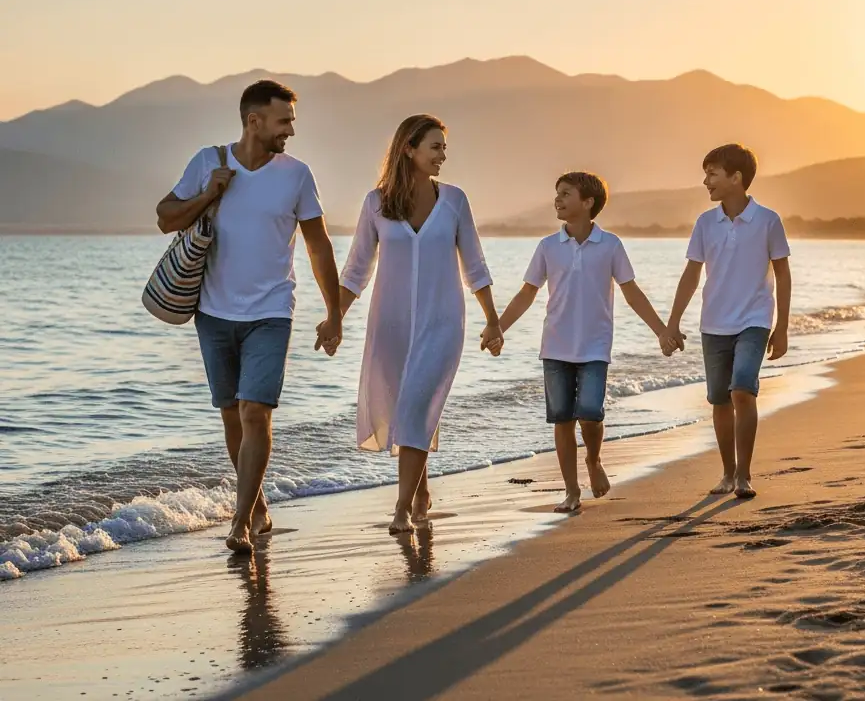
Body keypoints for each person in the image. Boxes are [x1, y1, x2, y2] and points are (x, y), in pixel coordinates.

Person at [156, 79, 341, 553]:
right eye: (284, 121)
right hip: (213, 312)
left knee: (255, 411)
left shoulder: (297, 174)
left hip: (272, 311)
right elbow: (165, 217)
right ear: (254, 121)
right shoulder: (208, 162)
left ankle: (239, 523)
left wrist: (334, 312)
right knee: (232, 417)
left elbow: (318, 245)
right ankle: (255, 504)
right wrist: (208, 194)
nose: (291, 131)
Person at [338, 114, 502, 535]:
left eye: (444, 147)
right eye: (435, 146)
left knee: (415, 407)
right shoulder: (375, 204)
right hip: (389, 325)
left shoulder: (454, 201)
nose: (443, 155)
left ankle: (401, 508)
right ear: (408, 148)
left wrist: (492, 320)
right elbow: (356, 269)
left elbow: (475, 264)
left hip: (443, 322)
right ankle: (421, 491)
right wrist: (333, 318)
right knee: (403, 409)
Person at [498, 172, 680, 514]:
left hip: (595, 346)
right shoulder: (547, 247)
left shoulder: (610, 245)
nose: (557, 199)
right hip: (555, 346)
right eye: (557, 193)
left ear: (588, 202)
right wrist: (499, 327)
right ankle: (571, 491)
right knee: (562, 419)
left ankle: (593, 460)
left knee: (591, 414)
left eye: (566, 194)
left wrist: (660, 330)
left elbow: (632, 292)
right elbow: (527, 293)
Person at [667, 143, 791, 500]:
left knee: (741, 390)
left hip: (754, 319)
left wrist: (781, 326)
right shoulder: (705, 223)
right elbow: (691, 275)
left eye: (712, 174)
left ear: (736, 178)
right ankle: (726, 473)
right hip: (714, 323)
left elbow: (782, 275)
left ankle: (744, 474)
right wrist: (673, 322)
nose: (706, 181)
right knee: (719, 401)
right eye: (706, 174)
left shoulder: (768, 220)